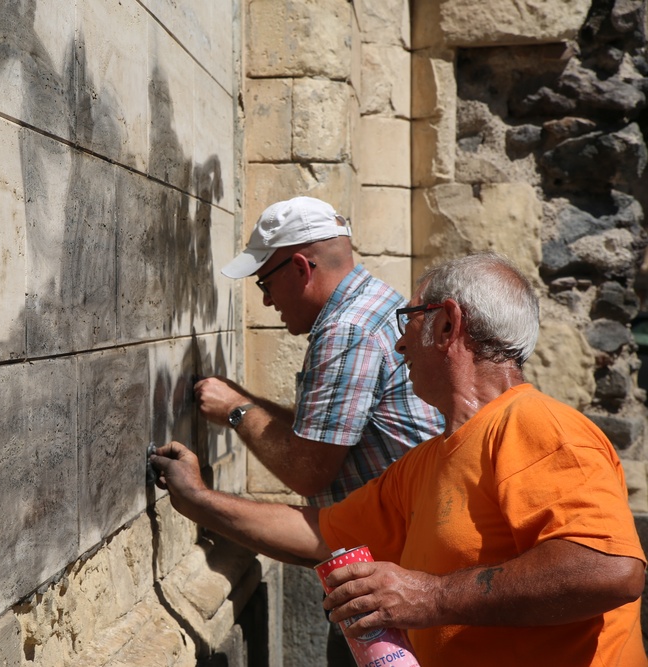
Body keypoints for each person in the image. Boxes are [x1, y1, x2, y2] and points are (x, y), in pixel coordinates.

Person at [152, 252, 648, 665]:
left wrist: (430, 597)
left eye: (409, 319)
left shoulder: (538, 425)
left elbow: (608, 570)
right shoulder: (427, 462)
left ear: (449, 324)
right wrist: (197, 500)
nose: (400, 340)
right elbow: (320, 534)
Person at [194, 195, 443, 664]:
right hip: (397, 566)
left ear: (301, 269)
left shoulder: (346, 329)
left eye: (265, 281)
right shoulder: (375, 303)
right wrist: (244, 401)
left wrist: (235, 411)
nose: (266, 300)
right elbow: (321, 432)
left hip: (391, 579)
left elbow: (308, 468)